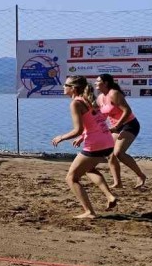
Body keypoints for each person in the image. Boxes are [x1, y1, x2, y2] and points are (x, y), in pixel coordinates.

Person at [51, 75, 118, 219]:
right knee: (88, 169)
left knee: (71, 178)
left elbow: (78, 129)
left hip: (96, 143)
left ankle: (89, 211)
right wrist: (82, 137)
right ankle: (110, 196)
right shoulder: (88, 99)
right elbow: (94, 122)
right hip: (107, 141)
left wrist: (61, 137)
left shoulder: (76, 103)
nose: (63, 87)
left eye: (66, 85)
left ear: (73, 88)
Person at [96, 73, 147, 189]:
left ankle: (140, 175)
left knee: (119, 153)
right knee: (111, 155)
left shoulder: (114, 93)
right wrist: (98, 129)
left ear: (106, 83)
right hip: (116, 127)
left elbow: (127, 111)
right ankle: (118, 183)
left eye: (98, 81)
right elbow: (103, 116)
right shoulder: (100, 98)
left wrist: (117, 126)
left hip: (129, 124)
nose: (95, 83)